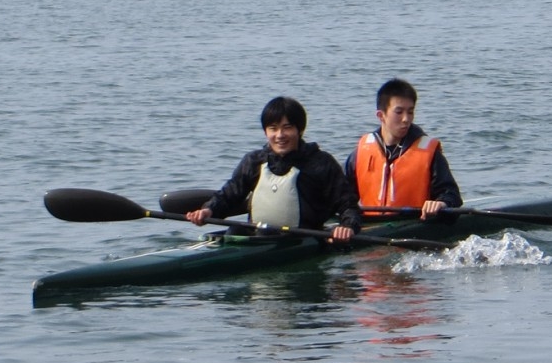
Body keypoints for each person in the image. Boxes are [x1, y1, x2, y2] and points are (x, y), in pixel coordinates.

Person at [185, 95, 360, 242]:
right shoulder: (253, 161)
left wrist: (347, 226)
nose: (280, 135)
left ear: (299, 130)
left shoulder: (321, 163)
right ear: (265, 132)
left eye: (287, 128)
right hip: (259, 238)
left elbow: (348, 205)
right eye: (273, 129)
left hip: (303, 241)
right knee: (235, 230)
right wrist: (209, 210)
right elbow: (229, 195)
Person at [343, 78, 462, 219]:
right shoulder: (361, 152)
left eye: (410, 112)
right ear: (381, 115)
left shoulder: (429, 152)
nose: (406, 119)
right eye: (399, 112)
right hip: (371, 224)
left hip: (414, 224)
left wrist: (441, 203)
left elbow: (452, 194)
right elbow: (341, 195)